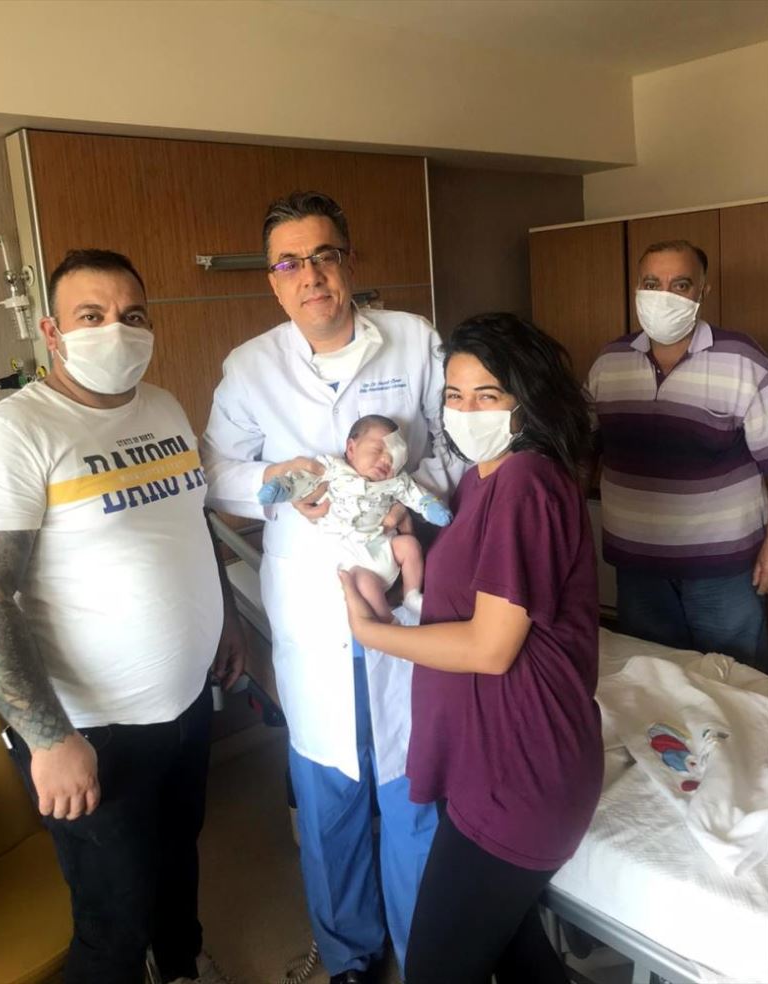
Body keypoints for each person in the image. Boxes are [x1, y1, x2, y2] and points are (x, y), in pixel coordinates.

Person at [202, 191, 463, 982]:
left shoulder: (413, 339)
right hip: (314, 605)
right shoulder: (251, 365)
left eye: (324, 256)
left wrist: (409, 492)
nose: (310, 276)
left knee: (413, 778)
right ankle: (349, 953)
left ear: (349, 262)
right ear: (273, 280)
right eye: (290, 263)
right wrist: (276, 483)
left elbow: (459, 444)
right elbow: (215, 471)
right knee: (328, 791)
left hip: (404, 591)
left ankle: (423, 951)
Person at [0, 249, 245, 984]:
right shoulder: (12, 432)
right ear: (51, 331)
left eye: (132, 315)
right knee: (112, 923)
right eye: (91, 316)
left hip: (185, 704)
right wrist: (48, 739)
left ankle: (182, 965)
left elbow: (189, 523)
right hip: (91, 729)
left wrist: (224, 619)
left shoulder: (163, 405)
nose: (115, 331)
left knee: (178, 853)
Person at [340, 312, 604, 984]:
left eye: (488, 395)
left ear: (527, 399)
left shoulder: (525, 482)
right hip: (487, 756)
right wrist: (399, 560)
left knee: (435, 969)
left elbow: (491, 647)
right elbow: (470, 589)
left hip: (521, 771)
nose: (466, 411)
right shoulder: (483, 476)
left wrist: (378, 635)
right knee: (516, 957)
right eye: (454, 395)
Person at [586, 239, 768, 672]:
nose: (664, 296)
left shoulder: (743, 359)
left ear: (702, 291)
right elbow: (581, 449)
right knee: (655, 682)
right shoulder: (609, 362)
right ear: (637, 288)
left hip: (723, 569)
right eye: (652, 284)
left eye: (680, 284)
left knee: (736, 681)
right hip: (638, 566)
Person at [258, 414, 452, 620]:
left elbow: (415, 494)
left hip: (383, 546)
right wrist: (284, 487)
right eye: (377, 450)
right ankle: (387, 621)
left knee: (409, 545)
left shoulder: (395, 482)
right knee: (365, 583)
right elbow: (305, 480)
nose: (386, 460)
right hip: (352, 556)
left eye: (394, 458)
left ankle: (411, 595)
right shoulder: (334, 470)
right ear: (351, 448)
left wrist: (430, 506)